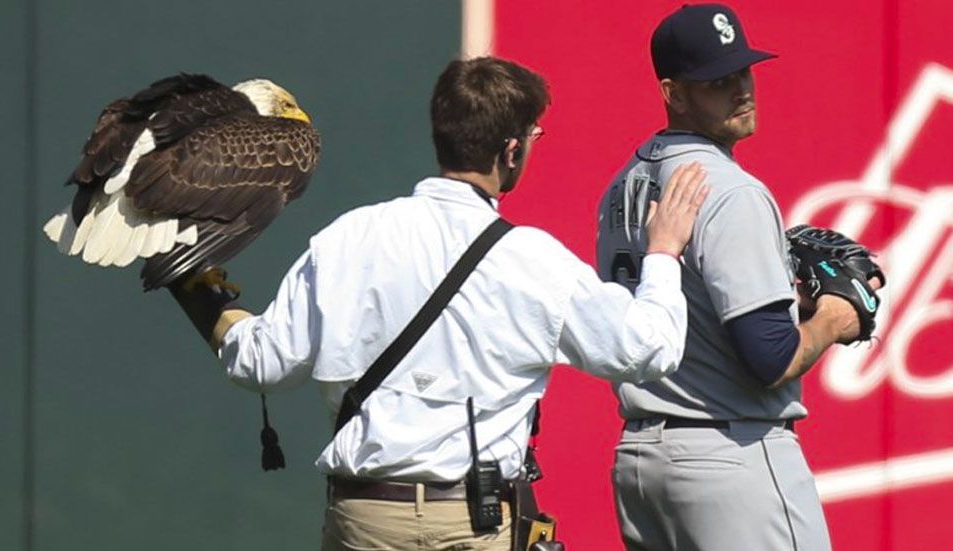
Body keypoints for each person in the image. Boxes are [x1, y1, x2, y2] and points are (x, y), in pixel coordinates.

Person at [169, 56, 707, 550]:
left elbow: (259, 362)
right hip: (472, 524)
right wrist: (662, 252)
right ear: (511, 150)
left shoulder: (349, 237)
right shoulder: (532, 258)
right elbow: (648, 348)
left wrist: (187, 280)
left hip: (365, 519)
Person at [596, 5, 881, 551]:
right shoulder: (731, 190)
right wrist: (829, 319)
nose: (740, 89)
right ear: (674, 93)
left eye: (742, 71)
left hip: (641, 464)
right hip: (730, 458)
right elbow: (769, 358)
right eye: (716, 81)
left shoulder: (623, 184)